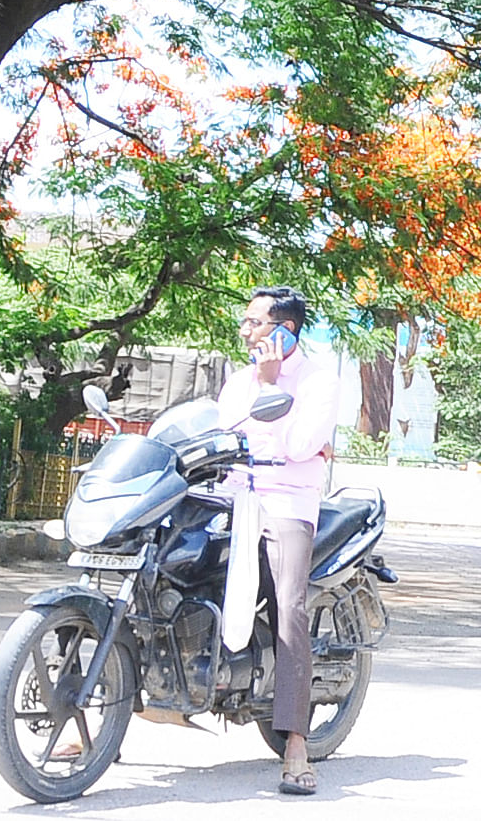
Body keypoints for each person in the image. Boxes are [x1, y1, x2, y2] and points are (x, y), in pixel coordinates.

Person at [219, 286, 341, 795]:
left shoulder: (317, 382)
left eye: (254, 323)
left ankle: (294, 741)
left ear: (284, 330)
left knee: (290, 604)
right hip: (232, 495)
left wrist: (272, 390)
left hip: (288, 501)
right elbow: (222, 431)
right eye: (245, 322)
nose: (245, 331)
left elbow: (297, 445)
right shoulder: (237, 379)